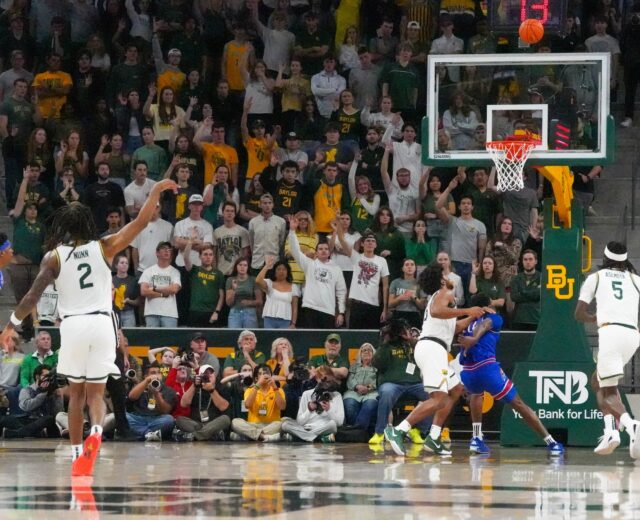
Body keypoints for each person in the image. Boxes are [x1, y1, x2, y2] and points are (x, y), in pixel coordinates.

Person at [0, 177, 178, 476]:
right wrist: (156, 189)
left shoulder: (53, 256)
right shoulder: (105, 246)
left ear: (65, 228)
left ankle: (75, 453)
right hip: (101, 323)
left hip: (73, 326)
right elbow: (141, 221)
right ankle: (96, 431)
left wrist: (10, 325)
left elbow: (33, 295)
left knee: (77, 394)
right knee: (97, 394)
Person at [383, 263, 485, 456]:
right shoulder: (444, 292)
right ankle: (398, 430)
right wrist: (467, 310)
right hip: (432, 348)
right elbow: (439, 312)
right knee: (438, 398)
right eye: (445, 273)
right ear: (441, 279)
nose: (449, 276)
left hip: (435, 348)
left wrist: (473, 316)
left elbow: (453, 328)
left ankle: (434, 437)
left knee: (456, 389)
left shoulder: (440, 298)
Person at [459, 293, 565, 456]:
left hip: (468, 371)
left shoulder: (467, 323)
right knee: (518, 404)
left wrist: (470, 337)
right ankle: (551, 442)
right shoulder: (495, 318)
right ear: (487, 307)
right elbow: (486, 324)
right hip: (486, 368)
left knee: (476, 395)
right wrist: (474, 338)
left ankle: (476, 438)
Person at [575, 242, 640, 458]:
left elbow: (579, 314)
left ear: (604, 258)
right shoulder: (635, 279)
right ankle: (611, 431)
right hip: (632, 336)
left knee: (610, 391)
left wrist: (596, 317)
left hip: (610, 333)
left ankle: (631, 426)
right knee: (597, 381)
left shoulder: (597, 277)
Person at [288, 217, 347, 329]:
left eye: (326, 249)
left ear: (330, 252)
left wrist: (341, 312)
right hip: (310, 308)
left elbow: (341, 291)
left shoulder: (336, 268)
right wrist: (292, 231)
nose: (324, 250)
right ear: (316, 253)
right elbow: (296, 251)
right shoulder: (310, 264)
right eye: (320, 249)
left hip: (328, 311)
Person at [334, 227, 390, 329]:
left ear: (376, 245)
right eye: (367, 241)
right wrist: (338, 225)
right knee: (354, 337)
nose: (370, 243)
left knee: (370, 337)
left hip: (373, 305)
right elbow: (342, 241)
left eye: (373, 241)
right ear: (362, 244)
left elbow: (385, 286)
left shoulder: (382, 261)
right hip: (357, 304)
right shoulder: (356, 257)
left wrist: (385, 309)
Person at [281, 366, 344, 442]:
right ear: (317, 379)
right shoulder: (307, 394)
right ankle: (318, 438)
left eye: (329, 381)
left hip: (324, 427)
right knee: (285, 425)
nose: (327, 384)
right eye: (324, 381)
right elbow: (300, 422)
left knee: (333, 425)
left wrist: (329, 410)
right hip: (307, 427)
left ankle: (298, 438)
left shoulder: (336, 395)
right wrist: (309, 410)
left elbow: (340, 422)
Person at [0, 365, 63, 438]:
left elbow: (58, 413)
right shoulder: (27, 390)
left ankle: (18, 433)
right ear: (37, 377)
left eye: (50, 377)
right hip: (24, 420)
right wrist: (43, 393)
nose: (48, 379)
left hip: (41, 421)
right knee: (6, 419)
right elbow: (26, 407)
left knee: (49, 418)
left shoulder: (53, 391)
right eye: (46, 376)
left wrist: (57, 397)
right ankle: (35, 433)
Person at [230, 364, 286, 442]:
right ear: (256, 378)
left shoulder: (278, 390)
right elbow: (247, 405)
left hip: (271, 425)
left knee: (281, 424)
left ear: (271, 376)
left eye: (267, 373)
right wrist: (258, 385)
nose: (264, 376)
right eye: (261, 374)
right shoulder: (250, 390)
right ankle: (263, 437)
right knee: (235, 422)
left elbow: (282, 407)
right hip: (253, 425)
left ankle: (249, 437)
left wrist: (274, 386)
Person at [176, 364, 231, 441]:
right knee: (179, 420)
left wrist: (212, 390)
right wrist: (194, 385)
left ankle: (195, 436)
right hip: (196, 424)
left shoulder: (221, 387)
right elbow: (183, 404)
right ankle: (209, 435)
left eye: (211, 373)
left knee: (225, 419)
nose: (208, 376)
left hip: (214, 424)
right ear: (199, 376)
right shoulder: (195, 387)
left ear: (215, 375)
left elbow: (223, 407)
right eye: (205, 374)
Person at [126, 362, 177, 441]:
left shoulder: (168, 390)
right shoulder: (141, 386)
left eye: (159, 373)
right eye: (153, 373)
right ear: (146, 376)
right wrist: (146, 381)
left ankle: (140, 434)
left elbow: (165, 410)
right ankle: (149, 434)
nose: (156, 375)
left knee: (169, 419)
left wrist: (156, 394)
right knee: (124, 416)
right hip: (138, 418)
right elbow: (131, 397)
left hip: (157, 419)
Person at [139, 241, 182, 327]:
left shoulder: (175, 272)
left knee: (170, 340)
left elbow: (174, 289)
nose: (167, 251)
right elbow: (143, 291)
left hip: (170, 313)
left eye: (169, 250)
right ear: (157, 253)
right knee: (151, 340)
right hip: (151, 313)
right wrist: (163, 294)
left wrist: (153, 288)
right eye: (164, 249)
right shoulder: (148, 271)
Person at [183, 242, 225, 328]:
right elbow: (185, 257)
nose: (208, 257)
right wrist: (191, 241)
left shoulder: (219, 274)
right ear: (200, 256)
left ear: (213, 257)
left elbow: (221, 296)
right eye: (205, 254)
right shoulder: (195, 270)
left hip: (211, 312)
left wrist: (216, 312)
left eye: (210, 255)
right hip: (195, 311)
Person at [256, 255, 300, 329]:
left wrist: (293, 323)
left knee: (282, 340)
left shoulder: (294, 287)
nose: (281, 271)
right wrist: (267, 266)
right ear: (275, 271)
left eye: (284, 269)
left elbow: (294, 307)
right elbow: (258, 280)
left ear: (288, 272)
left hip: (285, 319)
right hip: (269, 317)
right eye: (278, 269)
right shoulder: (269, 283)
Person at [342, 343, 378, 432]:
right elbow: (350, 379)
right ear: (360, 354)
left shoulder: (377, 367)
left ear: (373, 353)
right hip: (354, 392)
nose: (366, 352)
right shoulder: (354, 366)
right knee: (350, 405)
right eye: (364, 350)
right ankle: (363, 431)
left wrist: (368, 387)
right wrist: (357, 386)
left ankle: (357, 431)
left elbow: (379, 380)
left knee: (369, 405)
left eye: (369, 350)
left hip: (371, 393)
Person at [225, 258, 263, 329]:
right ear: (236, 266)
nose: (242, 267)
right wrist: (233, 289)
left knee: (250, 335)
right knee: (234, 336)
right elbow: (228, 303)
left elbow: (260, 301)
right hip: (235, 312)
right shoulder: (230, 280)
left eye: (245, 265)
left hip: (250, 312)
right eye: (240, 265)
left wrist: (249, 302)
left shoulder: (253, 280)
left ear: (248, 267)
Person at [388, 258, 425, 329]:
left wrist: (414, 297)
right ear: (402, 268)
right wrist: (400, 298)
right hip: (398, 313)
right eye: (407, 265)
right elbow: (390, 304)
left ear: (415, 268)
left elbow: (422, 306)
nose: (409, 267)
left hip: (414, 314)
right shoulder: (395, 282)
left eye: (412, 265)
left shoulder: (420, 284)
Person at [510, 250, 541, 331]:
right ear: (522, 261)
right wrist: (533, 292)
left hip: (536, 319)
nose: (528, 262)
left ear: (536, 261)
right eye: (525, 259)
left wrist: (522, 292)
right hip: (519, 319)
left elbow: (538, 295)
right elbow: (514, 297)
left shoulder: (542, 277)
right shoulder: (515, 279)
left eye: (530, 259)